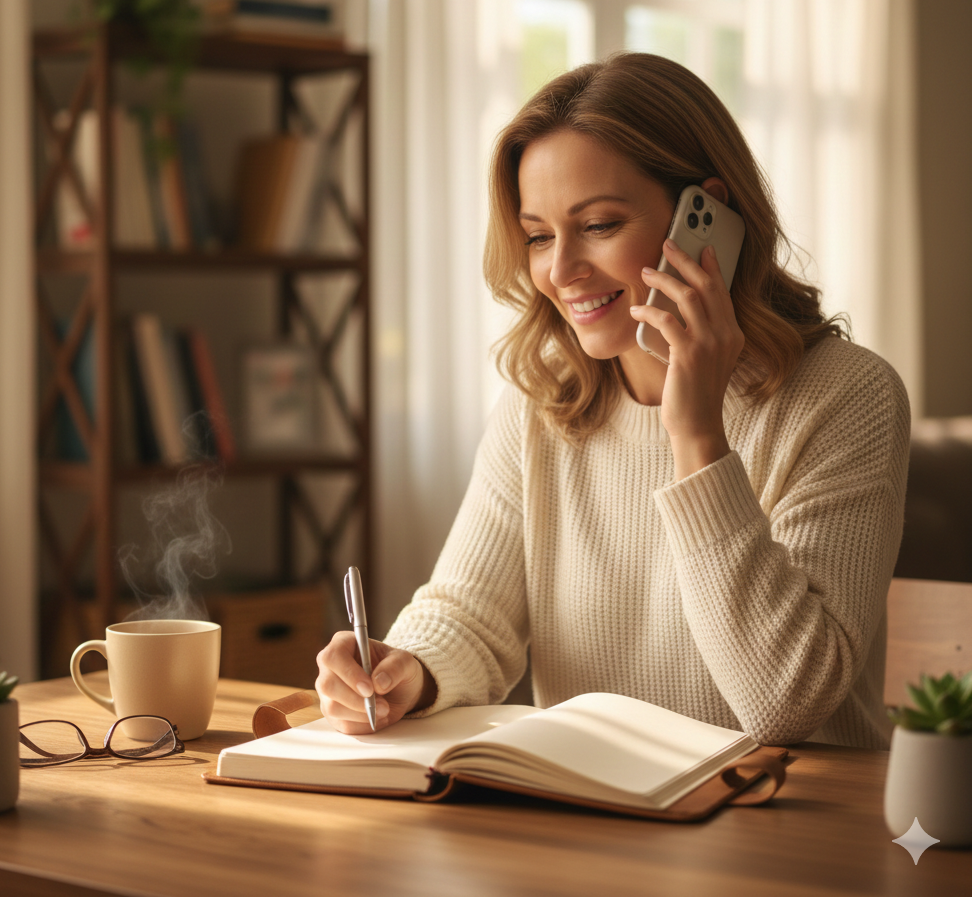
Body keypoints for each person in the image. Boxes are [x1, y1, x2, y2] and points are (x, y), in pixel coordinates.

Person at [316, 52, 910, 749]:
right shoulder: (542, 404)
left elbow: (784, 702)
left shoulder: (848, 396)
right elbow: (472, 615)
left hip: (786, 829)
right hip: (599, 825)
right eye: (538, 236)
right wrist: (403, 670)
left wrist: (696, 437)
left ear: (707, 215)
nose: (560, 271)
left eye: (598, 225)